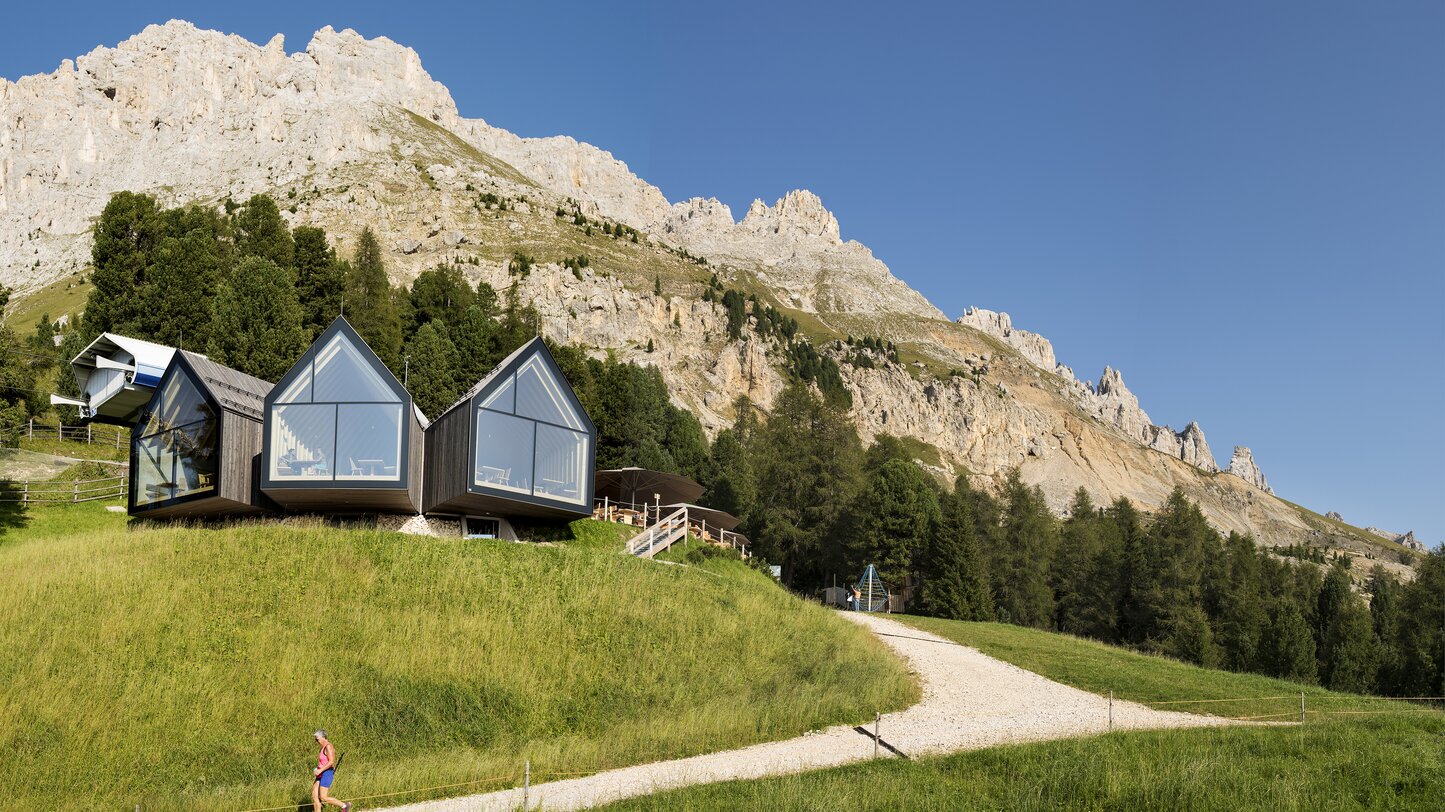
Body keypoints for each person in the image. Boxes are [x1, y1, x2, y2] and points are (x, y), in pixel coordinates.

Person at [311, 730, 350, 811]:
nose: (316, 741)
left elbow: (331, 761)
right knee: (314, 796)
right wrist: (318, 769)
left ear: (323, 737)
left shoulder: (328, 746)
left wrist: (320, 770)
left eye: (317, 739)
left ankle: (345, 806)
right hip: (320, 773)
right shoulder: (322, 747)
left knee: (323, 797)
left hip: (327, 773)